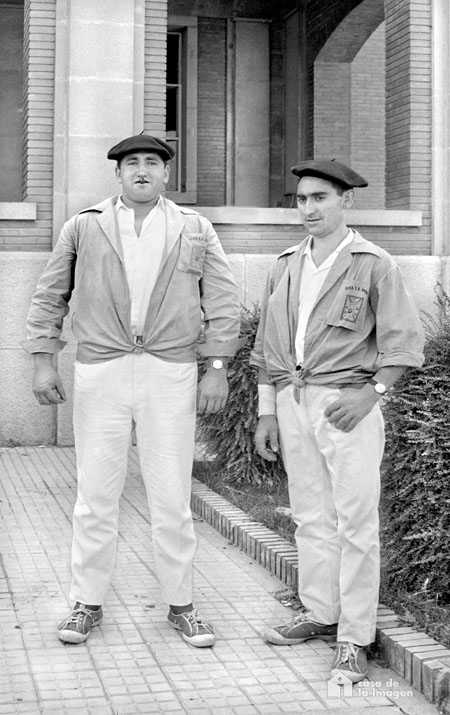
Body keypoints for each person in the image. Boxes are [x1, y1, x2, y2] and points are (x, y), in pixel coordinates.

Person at [26, 133, 242, 648]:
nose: (142, 170)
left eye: (151, 163)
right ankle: (86, 603)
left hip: (169, 372)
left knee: (172, 494)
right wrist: (43, 361)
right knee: (95, 494)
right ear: (118, 174)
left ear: (166, 174)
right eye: (131, 164)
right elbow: (50, 295)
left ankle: (182, 606)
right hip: (102, 369)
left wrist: (216, 366)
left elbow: (222, 299)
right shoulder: (85, 225)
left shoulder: (194, 227)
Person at [250, 159, 424, 682]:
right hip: (293, 399)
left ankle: (355, 637)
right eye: (302, 199)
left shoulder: (373, 263)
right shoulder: (285, 264)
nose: (308, 208)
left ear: (346, 201)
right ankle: (321, 612)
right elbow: (266, 349)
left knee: (355, 522)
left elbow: (402, 343)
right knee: (310, 516)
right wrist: (267, 412)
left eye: (320, 197)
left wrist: (372, 393)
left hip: (347, 403)